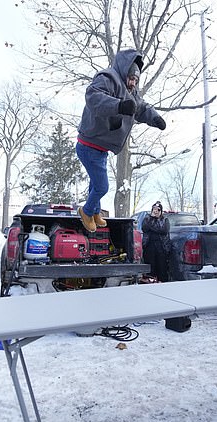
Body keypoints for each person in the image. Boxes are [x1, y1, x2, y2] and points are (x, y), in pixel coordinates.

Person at [76, 49, 166, 232]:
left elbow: (140, 108)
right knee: (102, 186)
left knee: (95, 183)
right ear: (125, 72)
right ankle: (86, 212)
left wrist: (155, 118)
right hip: (88, 144)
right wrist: (118, 106)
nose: (133, 83)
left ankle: (94, 212)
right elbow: (93, 97)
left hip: (101, 147)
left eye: (136, 80)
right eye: (131, 78)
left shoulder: (131, 92)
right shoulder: (107, 78)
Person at [141, 201, 171, 282]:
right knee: (151, 266)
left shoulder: (164, 219)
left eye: (158, 210)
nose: (156, 211)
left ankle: (162, 282)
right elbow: (145, 228)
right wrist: (152, 218)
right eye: (154, 209)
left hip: (161, 246)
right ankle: (150, 281)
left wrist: (153, 228)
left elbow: (164, 230)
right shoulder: (147, 218)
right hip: (149, 245)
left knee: (162, 266)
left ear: (161, 211)